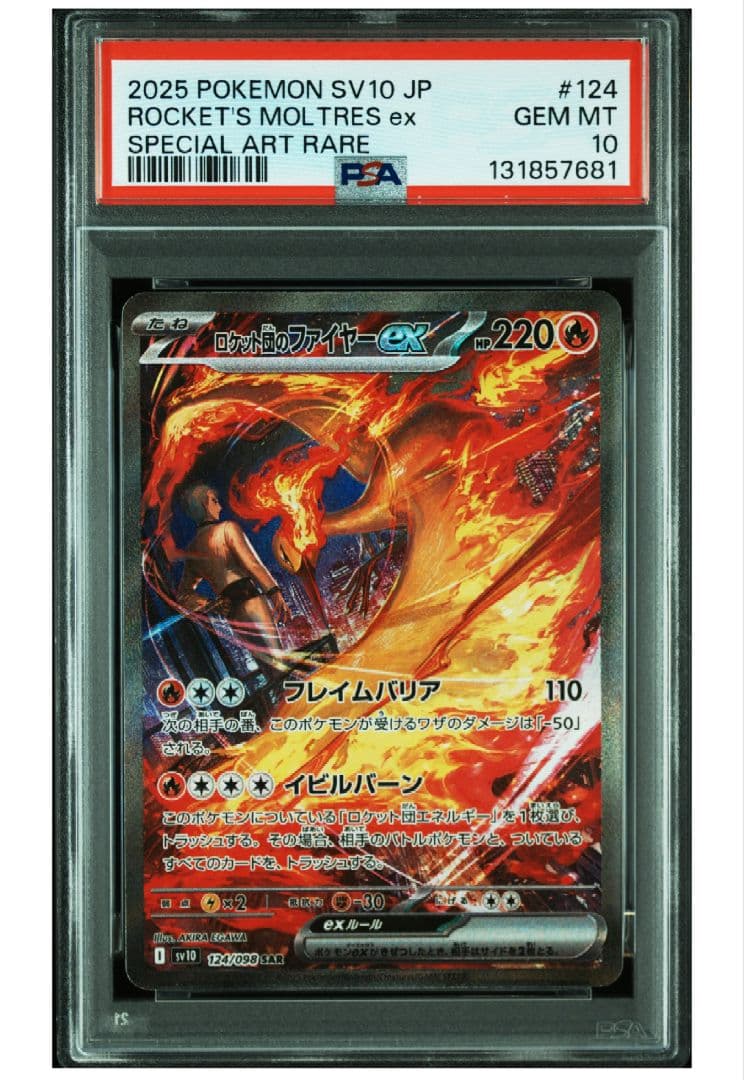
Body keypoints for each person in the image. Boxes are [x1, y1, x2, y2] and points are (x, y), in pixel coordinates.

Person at [177, 484, 290, 666]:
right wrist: (274, 591)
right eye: (214, 501)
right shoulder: (228, 528)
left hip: (232, 612)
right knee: (278, 662)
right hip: (251, 600)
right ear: (204, 505)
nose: (220, 507)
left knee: (266, 667)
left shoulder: (192, 550)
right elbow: (252, 564)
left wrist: (210, 604)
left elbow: (183, 595)